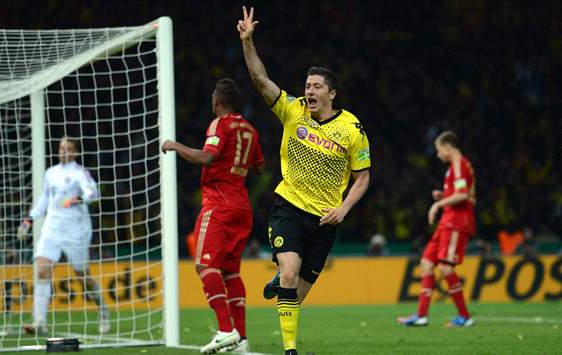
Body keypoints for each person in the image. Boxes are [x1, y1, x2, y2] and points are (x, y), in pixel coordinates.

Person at [237, 7, 371, 355]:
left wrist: (344, 209)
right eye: (306, 85)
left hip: (326, 219)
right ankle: (291, 350)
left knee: (295, 294)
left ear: (331, 94)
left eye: (315, 87)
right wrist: (248, 42)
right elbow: (260, 81)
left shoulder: (351, 130)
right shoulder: (293, 110)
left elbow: (362, 178)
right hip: (289, 208)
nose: (308, 91)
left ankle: (281, 277)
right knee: (290, 273)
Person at [162, 78, 264, 354]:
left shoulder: (220, 124)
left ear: (217, 101)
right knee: (230, 271)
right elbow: (258, 166)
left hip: (219, 203)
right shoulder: (249, 129)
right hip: (242, 207)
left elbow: (207, 158)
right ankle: (241, 340)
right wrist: (235, 166)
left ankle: (224, 330)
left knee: (205, 266)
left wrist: (174, 145)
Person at [18, 137, 110, 335]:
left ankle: (103, 310)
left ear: (75, 152)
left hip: (76, 229)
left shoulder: (80, 173)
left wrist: (76, 199)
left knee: (82, 276)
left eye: (68, 149)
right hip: (52, 227)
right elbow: (45, 199)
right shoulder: (51, 172)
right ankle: (39, 322)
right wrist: (29, 219)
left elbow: (94, 194)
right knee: (42, 269)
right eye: (61, 148)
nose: (63, 152)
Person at [398, 131, 476, 328]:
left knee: (446, 267)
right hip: (447, 220)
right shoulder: (455, 166)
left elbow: (464, 195)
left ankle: (465, 317)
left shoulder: (458, 163)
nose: (438, 154)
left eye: (439, 150)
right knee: (426, 262)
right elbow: (459, 192)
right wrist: (444, 196)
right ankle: (421, 315)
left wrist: (437, 205)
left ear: (448, 148)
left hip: (457, 222)